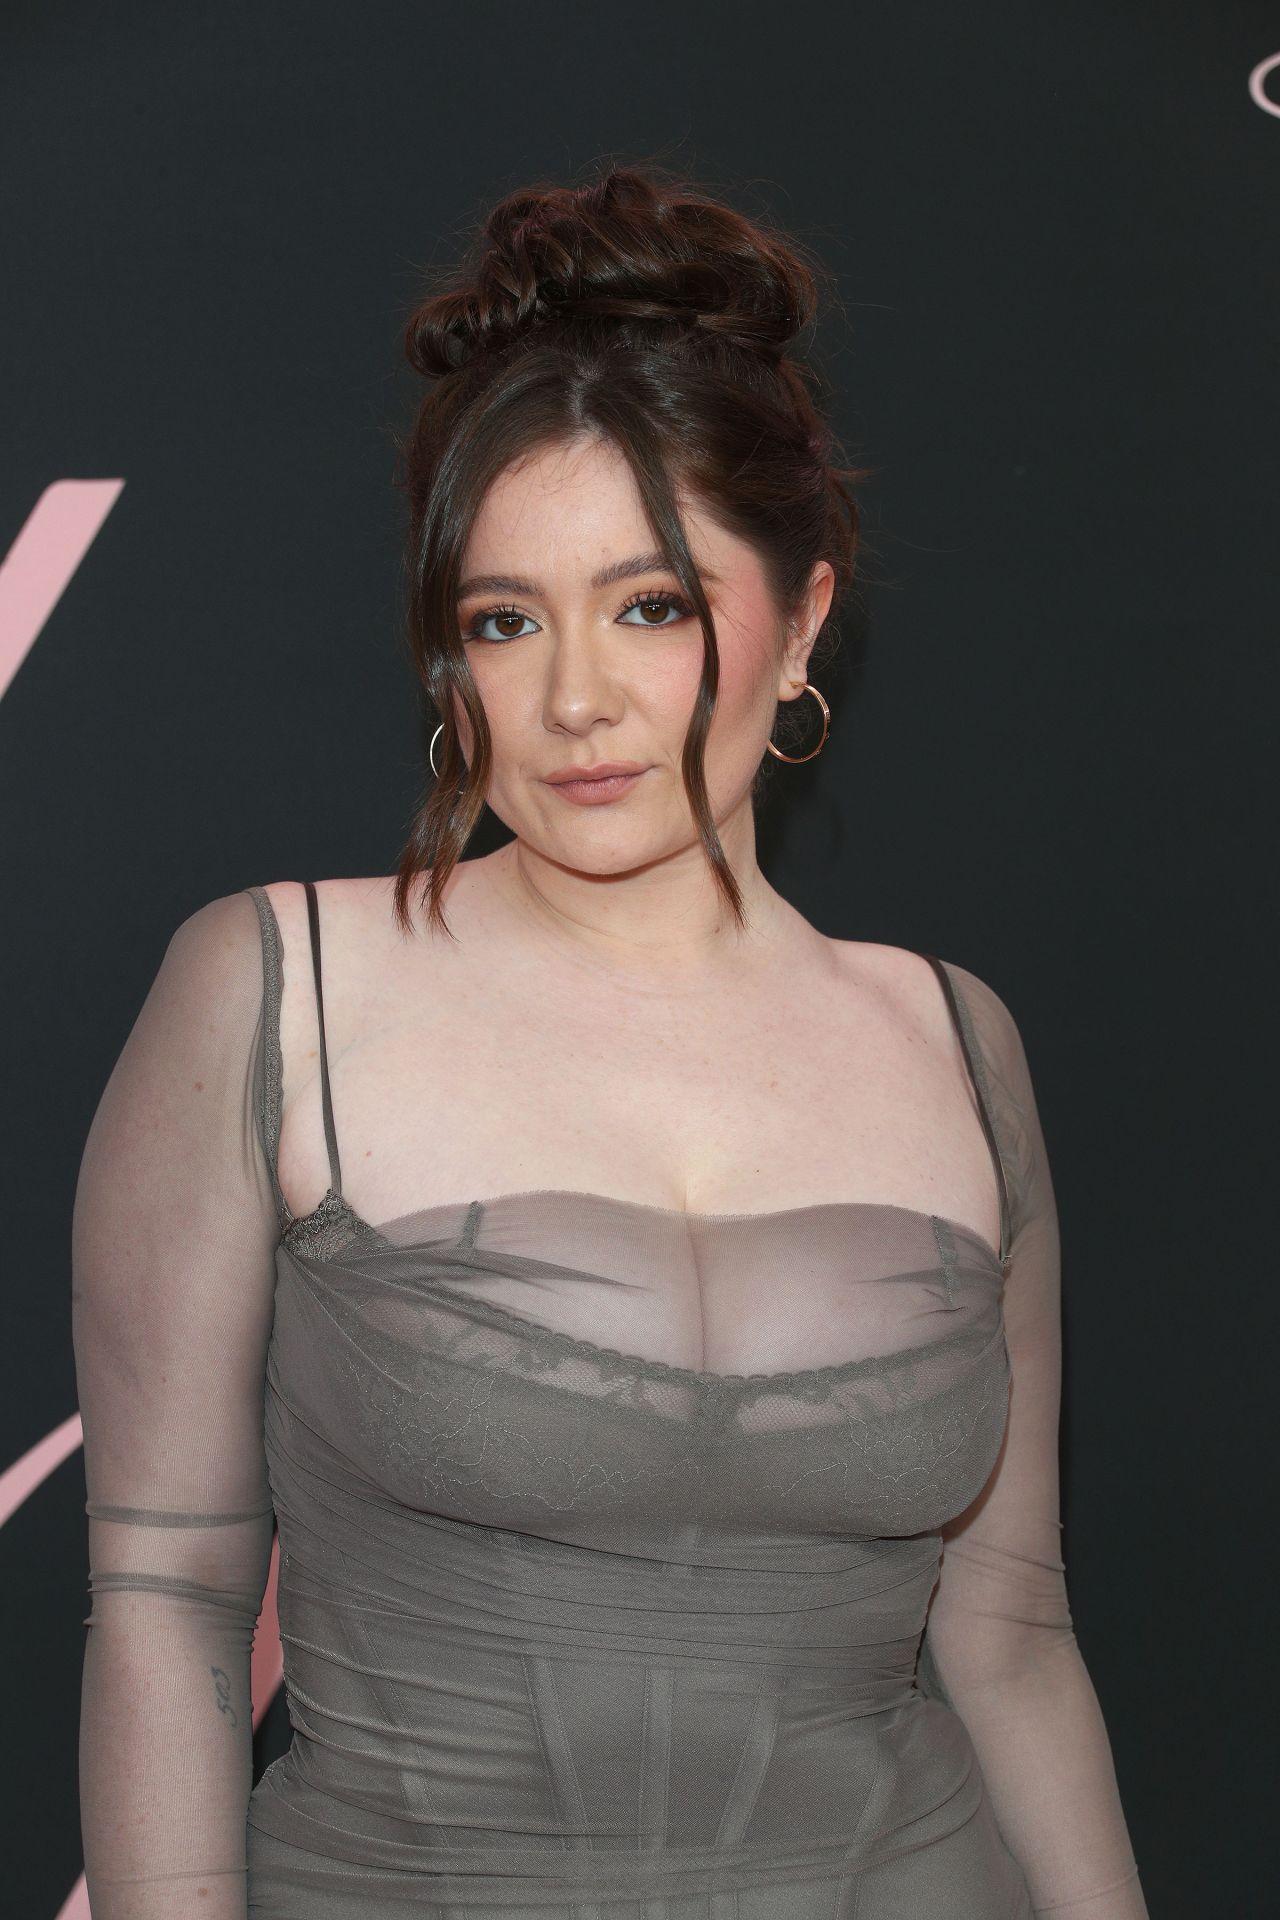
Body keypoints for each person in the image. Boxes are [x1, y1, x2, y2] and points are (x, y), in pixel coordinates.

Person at [71, 162, 1148, 1918]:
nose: (574, 698)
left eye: (652, 605)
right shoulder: (280, 988)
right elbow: (168, 1605)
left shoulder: (954, 1039)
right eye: (505, 620)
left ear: (802, 622)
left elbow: (1012, 1630)